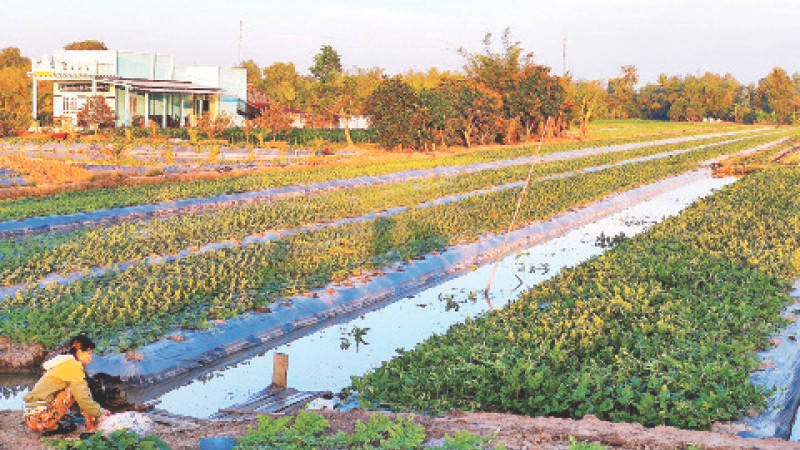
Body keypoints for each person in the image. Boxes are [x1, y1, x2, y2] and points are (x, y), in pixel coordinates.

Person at [23, 334, 110, 435]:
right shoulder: (73, 366)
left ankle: (52, 427)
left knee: (77, 390)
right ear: (80, 352)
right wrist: (99, 413)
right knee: (80, 391)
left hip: (32, 419)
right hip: (39, 419)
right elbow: (83, 398)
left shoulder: (64, 363)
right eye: (89, 354)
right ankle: (92, 428)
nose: (91, 358)